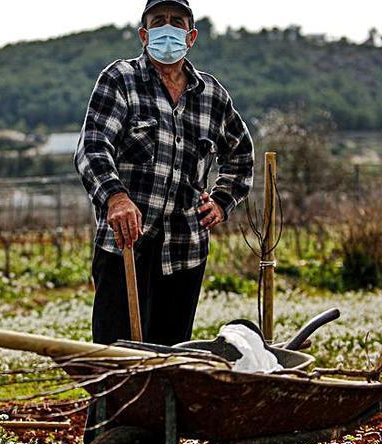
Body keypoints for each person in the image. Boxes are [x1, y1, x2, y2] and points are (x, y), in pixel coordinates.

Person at [74, 0, 255, 350]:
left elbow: (241, 156)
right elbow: (93, 147)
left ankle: (164, 408)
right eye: (159, 21)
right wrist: (116, 197)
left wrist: (220, 201)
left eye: (177, 21)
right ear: (144, 34)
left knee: (172, 357)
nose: (167, 28)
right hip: (126, 246)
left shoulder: (212, 95)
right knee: (119, 357)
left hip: (185, 250)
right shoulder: (121, 80)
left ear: (191, 36)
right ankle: (113, 407)